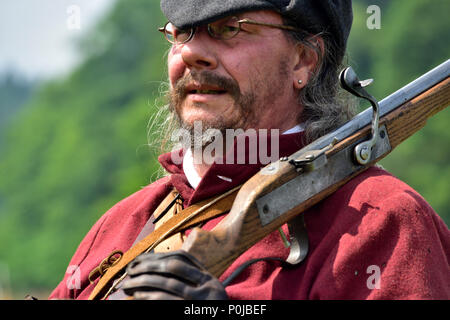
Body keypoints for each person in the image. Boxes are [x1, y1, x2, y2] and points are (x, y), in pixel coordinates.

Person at [49, 0, 450, 300]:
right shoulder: (119, 224)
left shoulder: (387, 220)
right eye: (181, 33)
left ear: (304, 60)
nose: (190, 52)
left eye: (228, 29)